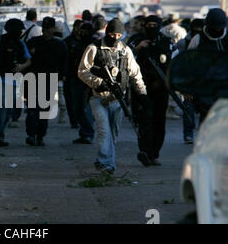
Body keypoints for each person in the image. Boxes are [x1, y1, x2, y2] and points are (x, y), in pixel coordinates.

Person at [78, 18, 147, 174]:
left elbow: (135, 74)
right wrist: (97, 82)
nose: (115, 38)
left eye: (118, 35)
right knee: (104, 131)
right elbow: (82, 71)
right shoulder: (94, 48)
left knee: (113, 134)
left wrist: (142, 93)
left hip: (117, 99)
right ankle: (106, 164)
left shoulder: (125, 51)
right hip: (98, 97)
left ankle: (104, 159)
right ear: (107, 31)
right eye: (112, 34)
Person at [128, 15, 176, 167]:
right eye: (148, 25)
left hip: (161, 89)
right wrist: (137, 48)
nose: (151, 28)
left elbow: (172, 64)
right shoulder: (136, 40)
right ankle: (145, 151)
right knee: (144, 120)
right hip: (141, 88)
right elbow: (124, 57)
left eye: (154, 25)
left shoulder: (166, 41)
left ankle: (154, 153)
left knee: (159, 122)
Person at [0, 19, 31, 147]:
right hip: (1, 79)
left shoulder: (20, 44)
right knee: (2, 109)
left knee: (7, 110)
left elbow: (28, 60)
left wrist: (21, 66)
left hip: (14, 81)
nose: (21, 32)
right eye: (19, 29)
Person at [25, 17, 68, 146]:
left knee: (44, 110)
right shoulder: (33, 42)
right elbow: (25, 58)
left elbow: (64, 63)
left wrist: (62, 76)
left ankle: (40, 136)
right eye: (44, 29)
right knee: (33, 109)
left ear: (53, 29)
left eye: (49, 29)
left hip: (49, 80)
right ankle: (31, 135)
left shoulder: (59, 45)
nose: (46, 31)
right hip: (33, 79)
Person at [187, 8, 228, 122]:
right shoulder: (198, 39)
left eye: (220, 27)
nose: (218, 29)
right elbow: (188, 65)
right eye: (215, 27)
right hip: (205, 90)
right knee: (207, 121)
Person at [64, 22, 96, 143]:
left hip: (88, 81)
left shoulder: (94, 45)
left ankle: (88, 133)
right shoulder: (75, 44)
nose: (82, 33)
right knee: (77, 108)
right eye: (81, 30)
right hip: (75, 79)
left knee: (85, 108)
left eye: (85, 31)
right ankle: (84, 132)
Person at [177, 19, 204, 144]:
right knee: (188, 109)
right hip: (189, 81)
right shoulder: (184, 42)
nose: (197, 30)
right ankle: (188, 134)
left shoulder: (209, 41)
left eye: (200, 28)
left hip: (204, 82)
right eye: (196, 28)